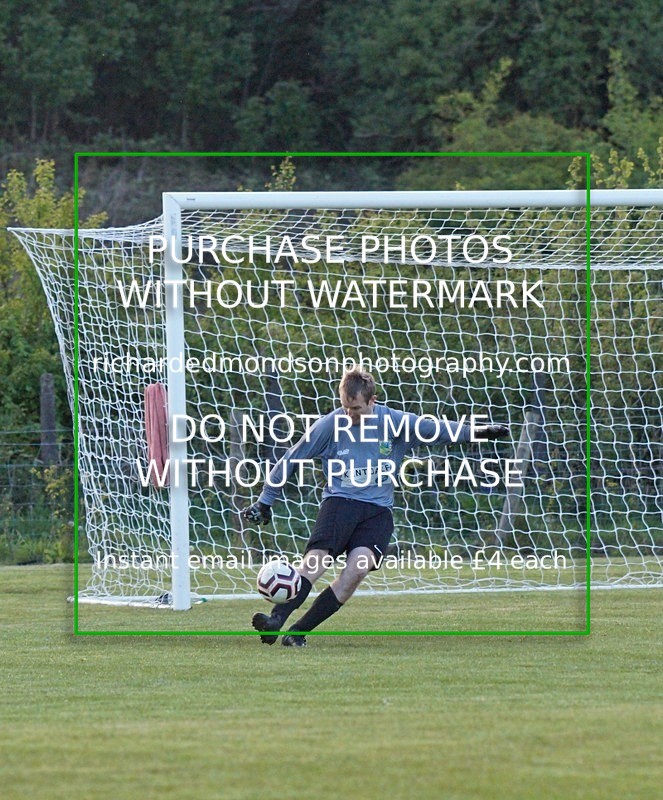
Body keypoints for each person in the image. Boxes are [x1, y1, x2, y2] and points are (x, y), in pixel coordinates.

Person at [242, 369, 508, 646]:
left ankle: (297, 634)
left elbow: (441, 430)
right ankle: (275, 621)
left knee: (356, 571)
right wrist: (265, 501)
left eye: (355, 408)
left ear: (372, 401)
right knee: (315, 562)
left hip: (377, 512)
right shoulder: (330, 424)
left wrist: (481, 432)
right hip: (339, 503)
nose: (349, 414)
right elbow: (292, 457)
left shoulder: (395, 422)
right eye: (345, 407)